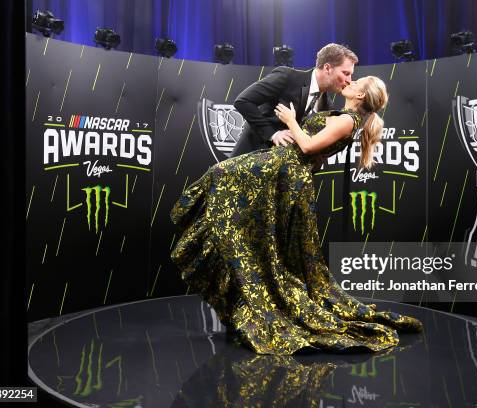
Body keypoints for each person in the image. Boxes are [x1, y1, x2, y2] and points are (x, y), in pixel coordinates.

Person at [170, 75, 423, 355]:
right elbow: (318, 155)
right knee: (223, 179)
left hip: (285, 169)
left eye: (354, 82)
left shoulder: (347, 120)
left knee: (221, 174)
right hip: (283, 167)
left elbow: (307, 147)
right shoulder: (344, 117)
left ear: (360, 96)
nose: (348, 82)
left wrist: (290, 120)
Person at [231, 43, 357, 157]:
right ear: (327, 68)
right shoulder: (287, 77)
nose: (349, 80)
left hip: (282, 172)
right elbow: (243, 101)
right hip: (249, 161)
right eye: (346, 73)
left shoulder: (327, 105)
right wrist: (273, 134)